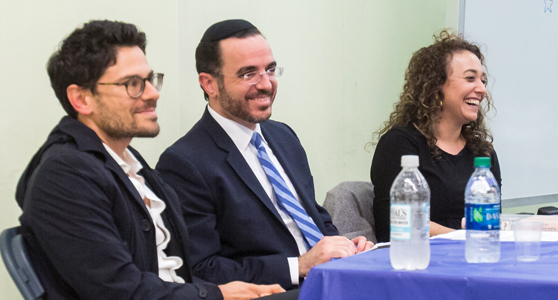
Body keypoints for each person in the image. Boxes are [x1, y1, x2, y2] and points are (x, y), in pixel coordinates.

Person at [15, 20, 285, 300]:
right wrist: (216, 295)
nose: (153, 93)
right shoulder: (65, 175)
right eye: (133, 84)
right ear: (82, 99)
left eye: (150, 79)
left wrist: (220, 291)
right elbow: (120, 292)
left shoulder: (129, 162)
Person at [156, 19, 373, 290]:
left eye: (270, 70)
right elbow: (200, 269)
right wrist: (300, 265)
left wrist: (345, 248)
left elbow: (314, 218)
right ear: (209, 83)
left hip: (332, 282)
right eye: (248, 74)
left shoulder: (284, 137)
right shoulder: (184, 163)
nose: (266, 84)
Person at [370, 30, 501, 242]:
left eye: (483, 81)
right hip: (416, 263)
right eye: (470, 78)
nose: (482, 89)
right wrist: (466, 237)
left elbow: (491, 220)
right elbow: (399, 222)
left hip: (475, 260)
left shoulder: (482, 153)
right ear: (435, 86)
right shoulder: (399, 144)